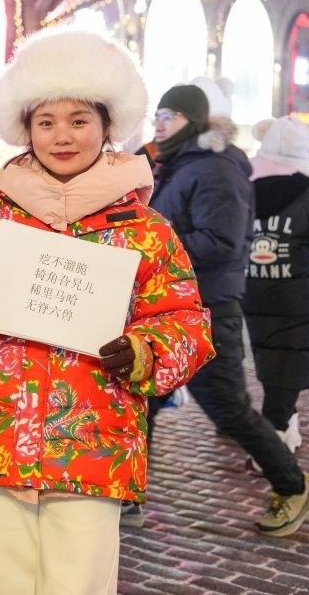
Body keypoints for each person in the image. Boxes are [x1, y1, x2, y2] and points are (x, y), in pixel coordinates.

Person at [0, 28, 214, 595]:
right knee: (12, 582)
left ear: (106, 125)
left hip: (93, 435)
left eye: (79, 120)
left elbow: (185, 320)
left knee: (78, 583)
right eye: (46, 122)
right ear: (26, 129)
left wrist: (145, 351)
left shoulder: (145, 230)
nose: (62, 136)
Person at [144, 80, 308, 537]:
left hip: (208, 310)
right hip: (170, 307)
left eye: (169, 116)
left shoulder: (215, 168)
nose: (160, 125)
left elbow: (221, 241)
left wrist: (150, 246)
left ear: (192, 121)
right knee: (142, 401)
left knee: (227, 407)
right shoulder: (177, 165)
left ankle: (292, 484)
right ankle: (125, 496)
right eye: (158, 116)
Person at [243, 114, 309, 459]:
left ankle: (283, 424)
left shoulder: (246, 189)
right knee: (288, 364)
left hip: (253, 293)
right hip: (297, 299)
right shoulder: (306, 192)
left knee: (271, 363)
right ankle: (275, 442)